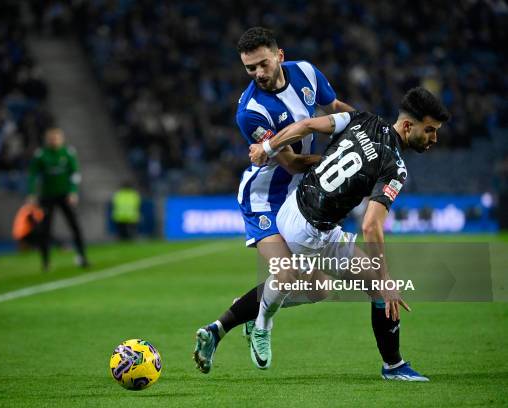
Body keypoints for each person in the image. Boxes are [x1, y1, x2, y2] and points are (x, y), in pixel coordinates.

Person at [244, 86, 450, 380]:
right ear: (407, 126)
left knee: (311, 284)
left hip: (292, 206)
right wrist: (387, 278)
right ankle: (263, 317)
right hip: (312, 232)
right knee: (368, 288)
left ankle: (259, 311)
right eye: (430, 130)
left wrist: (268, 147)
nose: (434, 138)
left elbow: (305, 125)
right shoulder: (395, 166)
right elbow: (370, 225)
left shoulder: (361, 118)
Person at [193, 27, 354, 373]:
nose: (258, 74)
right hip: (265, 197)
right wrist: (336, 161)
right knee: (286, 272)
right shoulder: (250, 111)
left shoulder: (307, 73)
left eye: (263, 64)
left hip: (302, 194)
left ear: (279, 55)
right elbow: (293, 162)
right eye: (250, 68)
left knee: (321, 289)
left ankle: (233, 318)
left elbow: (335, 107)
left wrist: (365, 126)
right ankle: (262, 324)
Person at [27, 127, 88, 271]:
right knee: (45, 229)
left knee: (75, 226)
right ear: (47, 139)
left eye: (57, 137)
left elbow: (75, 173)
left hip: (65, 195)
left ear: (62, 138)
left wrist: (73, 192)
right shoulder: (41, 155)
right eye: (51, 138)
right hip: (47, 196)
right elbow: (32, 175)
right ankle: (45, 262)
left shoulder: (68, 153)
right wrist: (32, 193)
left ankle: (82, 257)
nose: (54, 140)